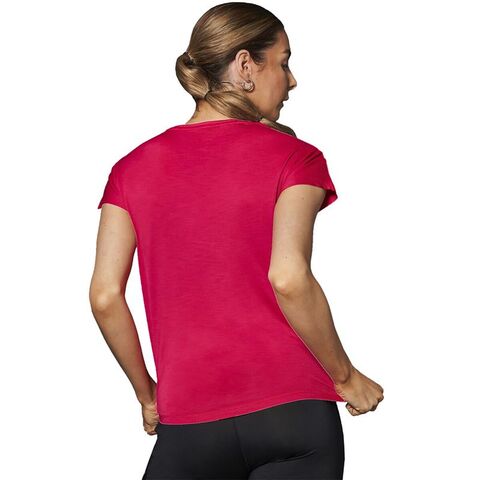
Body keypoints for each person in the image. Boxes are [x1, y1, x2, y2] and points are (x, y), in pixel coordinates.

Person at [89, 2, 384, 479]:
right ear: (246, 65)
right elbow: (289, 277)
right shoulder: (297, 157)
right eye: (284, 63)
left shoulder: (130, 169)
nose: (291, 81)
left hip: (190, 421)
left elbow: (105, 296)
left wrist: (148, 396)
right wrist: (347, 378)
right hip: (294, 415)